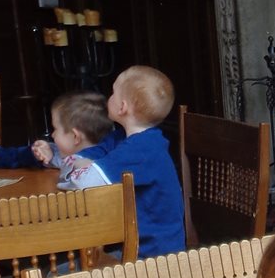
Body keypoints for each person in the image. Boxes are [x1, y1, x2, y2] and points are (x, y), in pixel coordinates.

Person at [80, 65, 185, 256]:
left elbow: (84, 183)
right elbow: (94, 152)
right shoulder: (130, 138)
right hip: (143, 248)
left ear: (122, 107)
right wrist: (77, 161)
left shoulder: (140, 149)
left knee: (64, 271)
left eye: (113, 93)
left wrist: (78, 166)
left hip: (154, 258)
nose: (109, 97)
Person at [46, 90, 113, 189]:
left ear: (75, 136)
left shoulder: (83, 167)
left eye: (55, 129)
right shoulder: (110, 155)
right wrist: (50, 155)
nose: (52, 135)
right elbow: (60, 159)